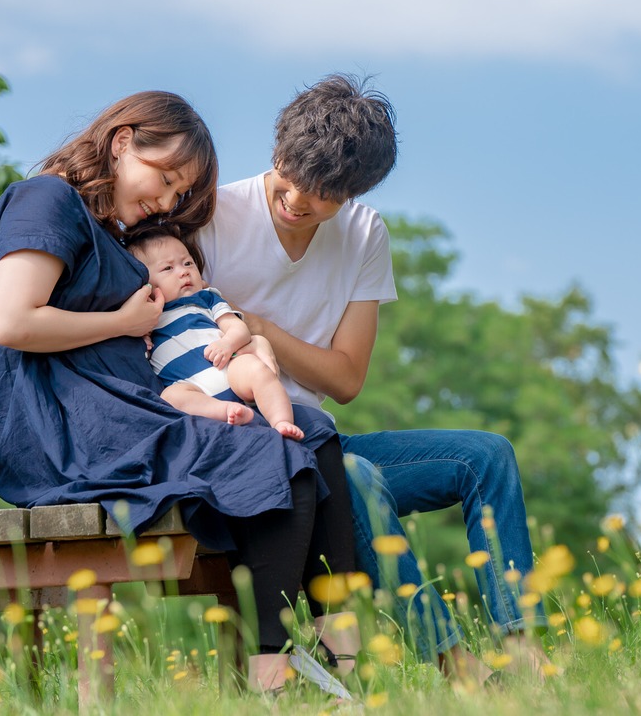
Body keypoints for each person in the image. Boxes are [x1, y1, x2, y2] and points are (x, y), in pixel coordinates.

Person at [0, 91, 355, 693]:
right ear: (123, 141)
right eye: (166, 178)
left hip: (126, 413)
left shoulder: (104, 230)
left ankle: (340, 651)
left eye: (180, 194)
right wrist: (124, 324)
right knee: (271, 450)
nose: (167, 199)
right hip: (73, 432)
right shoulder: (46, 200)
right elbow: (10, 322)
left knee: (311, 427)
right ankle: (272, 671)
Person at [195, 74, 548, 678]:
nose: (300, 199)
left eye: (326, 192)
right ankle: (454, 661)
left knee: (487, 456)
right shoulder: (213, 219)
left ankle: (521, 649)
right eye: (293, 174)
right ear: (278, 149)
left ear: (355, 193)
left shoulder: (364, 233)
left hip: (322, 441)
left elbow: (346, 379)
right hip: (244, 449)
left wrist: (261, 326)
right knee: (352, 472)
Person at [128, 227, 304, 440]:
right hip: (193, 389)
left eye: (187, 263)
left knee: (255, 368)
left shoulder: (206, 299)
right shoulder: (149, 316)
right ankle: (225, 411)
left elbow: (238, 328)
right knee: (171, 397)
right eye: (167, 268)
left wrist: (228, 343)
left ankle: (281, 421)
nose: (183, 271)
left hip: (230, 370)